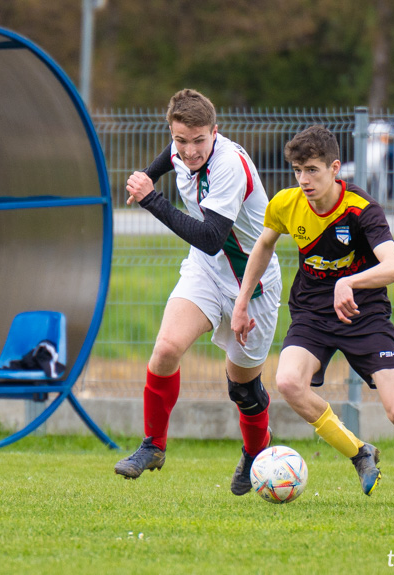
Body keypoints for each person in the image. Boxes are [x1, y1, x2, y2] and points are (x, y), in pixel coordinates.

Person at [231, 125, 394, 507]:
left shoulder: (362, 209)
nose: (304, 180)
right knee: (289, 383)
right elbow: (262, 246)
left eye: (312, 170)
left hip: (366, 314)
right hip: (312, 313)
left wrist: (350, 283)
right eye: (297, 170)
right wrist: (242, 302)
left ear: (335, 168)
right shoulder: (285, 204)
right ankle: (360, 453)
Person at [113, 89, 282, 495]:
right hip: (205, 272)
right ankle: (153, 445)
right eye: (180, 140)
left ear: (215, 133)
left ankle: (257, 453)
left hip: (252, 284)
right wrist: (150, 176)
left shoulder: (229, 166)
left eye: (198, 141)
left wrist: (151, 198)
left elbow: (210, 236)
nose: (189, 152)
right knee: (166, 349)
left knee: (242, 388)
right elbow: (169, 160)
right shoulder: (181, 148)